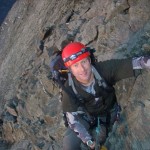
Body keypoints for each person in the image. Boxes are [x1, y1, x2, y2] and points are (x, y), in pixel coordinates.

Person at [60, 42, 150, 150]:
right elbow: (73, 121)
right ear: (70, 70)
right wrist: (89, 141)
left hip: (111, 112)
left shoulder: (103, 70)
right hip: (89, 117)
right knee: (69, 143)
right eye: (75, 65)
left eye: (83, 62)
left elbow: (134, 63)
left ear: (89, 60)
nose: (82, 69)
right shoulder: (69, 89)